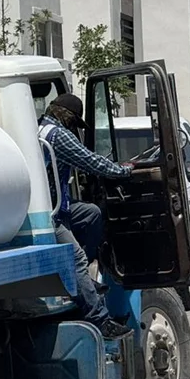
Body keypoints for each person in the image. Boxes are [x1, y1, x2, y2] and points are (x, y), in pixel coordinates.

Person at [38, 94, 133, 339]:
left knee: (91, 214)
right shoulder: (57, 135)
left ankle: (82, 284)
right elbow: (90, 161)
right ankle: (100, 320)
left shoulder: (40, 126)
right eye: (74, 122)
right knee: (77, 258)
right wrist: (122, 171)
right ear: (67, 116)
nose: (74, 128)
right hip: (49, 216)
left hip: (57, 207)